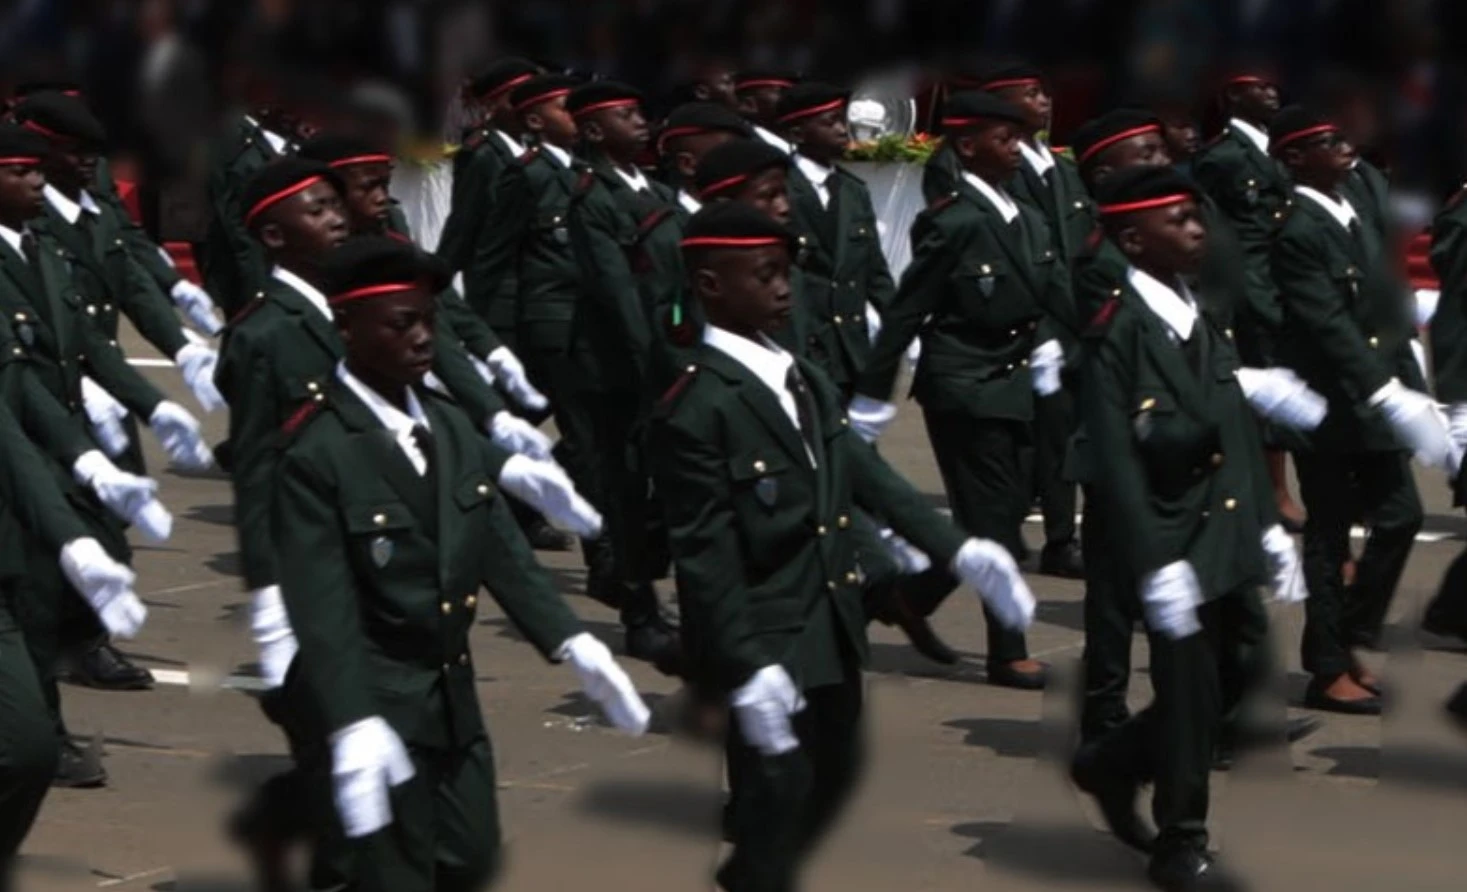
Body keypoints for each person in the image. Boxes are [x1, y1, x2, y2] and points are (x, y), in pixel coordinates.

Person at [651, 202, 1035, 892]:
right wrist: (742, 662)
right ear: (709, 286)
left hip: (830, 618)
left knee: (825, 780)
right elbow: (705, 554)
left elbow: (866, 477)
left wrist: (958, 549)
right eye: (763, 275)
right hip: (764, 631)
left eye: (785, 274)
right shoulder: (699, 403)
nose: (782, 289)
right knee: (773, 794)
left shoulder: (799, 375)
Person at [273, 234, 650, 891]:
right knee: (389, 875)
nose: (424, 339)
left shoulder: (446, 425)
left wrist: (572, 640)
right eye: (402, 324)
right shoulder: (318, 451)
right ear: (346, 327)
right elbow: (321, 604)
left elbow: (497, 546)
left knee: (468, 860)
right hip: (368, 695)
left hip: (447, 699)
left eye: (429, 321)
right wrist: (352, 718)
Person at [1070, 164, 1303, 892]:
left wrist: (1266, 526)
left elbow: (1230, 425)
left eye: (1197, 217)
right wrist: (1153, 560)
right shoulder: (1119, 330)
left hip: (1224, 525)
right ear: (1134, 240)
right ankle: (1181, 840)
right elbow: (1113, 455)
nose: (1197, 229)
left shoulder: (1192, 307)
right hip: (1163, 533)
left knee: (1241, 668)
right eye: (1178, 220)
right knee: (1192, 686)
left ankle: (1109, 763)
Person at [0, 122, 199, 784]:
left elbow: (86, 337)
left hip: (53, 437)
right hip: (22, 453)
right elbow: (18, 380)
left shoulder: (38, 249)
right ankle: (40, 733)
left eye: (37, 170)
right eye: (20, 171)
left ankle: (47, 721)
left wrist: (156, 400)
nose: (35, 182)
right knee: (29, 595)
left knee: (46, 590)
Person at [850, 91, 1065, 690]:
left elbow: (1048, 294)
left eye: (1020, 138)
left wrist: (1057, 343)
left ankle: (894, 598)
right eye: (1004, 139)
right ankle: (1007, 650)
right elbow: (906, 311)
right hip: (963, 384)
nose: (1016, 149)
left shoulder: (1027, 215)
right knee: (994, 521)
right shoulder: (953, 220)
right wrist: (873, 396)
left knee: (1001, 510)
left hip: (1017, 381)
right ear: (968, 147)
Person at [1270, 106, 1448, 714]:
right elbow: (1327, 321)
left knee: (1399, 516)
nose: (1345, 146)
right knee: (1329, 535)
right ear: (1294, 159)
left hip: (1375, 394)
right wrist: (1384, 390)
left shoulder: (1356, 208)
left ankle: (1347, 637)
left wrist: (1411, 376)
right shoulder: (1296, 227)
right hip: (1330, 404)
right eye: (1328, 140)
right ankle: (1328, 667)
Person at [14, 91, 223, 444]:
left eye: (93, 152)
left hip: (110, 386)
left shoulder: (98, 214)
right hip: (49, 397)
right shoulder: (27, 223)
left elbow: (131, 282)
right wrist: (138, 398)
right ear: (43, 153)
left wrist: (179, 344)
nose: (88, 162)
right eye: (74, 151)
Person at [563, 80, 683, 671]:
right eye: (626, 114)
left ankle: (622, 572)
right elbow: (617, 295)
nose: (641, 121)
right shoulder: (593, 199)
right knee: (628, 492)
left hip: (664, 359)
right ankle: (640, 616)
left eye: (640, 111)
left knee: (664, 489)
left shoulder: (660, 191)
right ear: (591, 131)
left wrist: (685, 337)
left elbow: (680, 287)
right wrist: (654, 367)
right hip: (617, 371)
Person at [968, 61, 1088, 579]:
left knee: (1062, 434)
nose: (1045, 102)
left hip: (1068, 318)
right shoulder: (995, 168)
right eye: (1032, 94)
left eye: (1045, 94)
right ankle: (1006, 529)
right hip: (1023, 321)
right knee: (1018, 440)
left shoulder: (1061, 168)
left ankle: (1061, 539)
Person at [1191, 69, 1303, 530]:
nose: (1272, 92)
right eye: (1260, 87)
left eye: (1274, 85)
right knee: (1259, 392)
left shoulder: (1275, 149)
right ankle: (1272, 492)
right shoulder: (1222, 158)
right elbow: (1217, 231)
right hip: (1247, 289)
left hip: (1284, 280)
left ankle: (1272, 488)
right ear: (1234, 94)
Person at [774, 82, 895, 403]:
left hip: (851, 351)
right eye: (830, 123)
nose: (843, 130)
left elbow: (874, 270)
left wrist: (901, 331)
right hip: (802, 345)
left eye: (843, 121)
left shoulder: (854, 191)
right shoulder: (779, 189)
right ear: (798, 134)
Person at [436, 56, 541, 319]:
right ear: (491, 105)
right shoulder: (484, 155)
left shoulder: (537, 151)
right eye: (516, 98)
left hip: (537, 291)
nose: (528, 105)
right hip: (500, 294)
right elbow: (463, 226)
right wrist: (438, 287)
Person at [734, 71, 799, 154]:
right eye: (779, 92)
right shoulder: (745, 143)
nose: (790, 98)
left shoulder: (799, 143)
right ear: (749, 104)